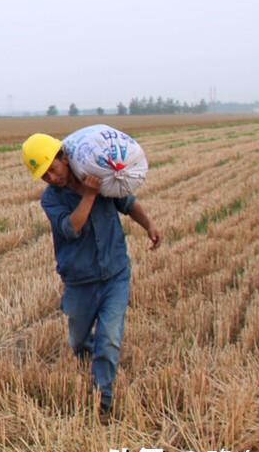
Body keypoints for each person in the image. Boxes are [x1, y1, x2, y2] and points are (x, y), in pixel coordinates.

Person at [21, 133, 161, 420]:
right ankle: (90, 357)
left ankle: (103, 402)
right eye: (43, 175)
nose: (50, 177)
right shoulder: (52, 200)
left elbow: (128, 203)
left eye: (52, 168)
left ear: (64, 157)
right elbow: (72, 228)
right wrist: (88, 196)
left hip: (114, 274)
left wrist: (149, 225)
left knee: (109, 338)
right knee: (78, 341)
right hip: (79, 281)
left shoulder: (99, 177)